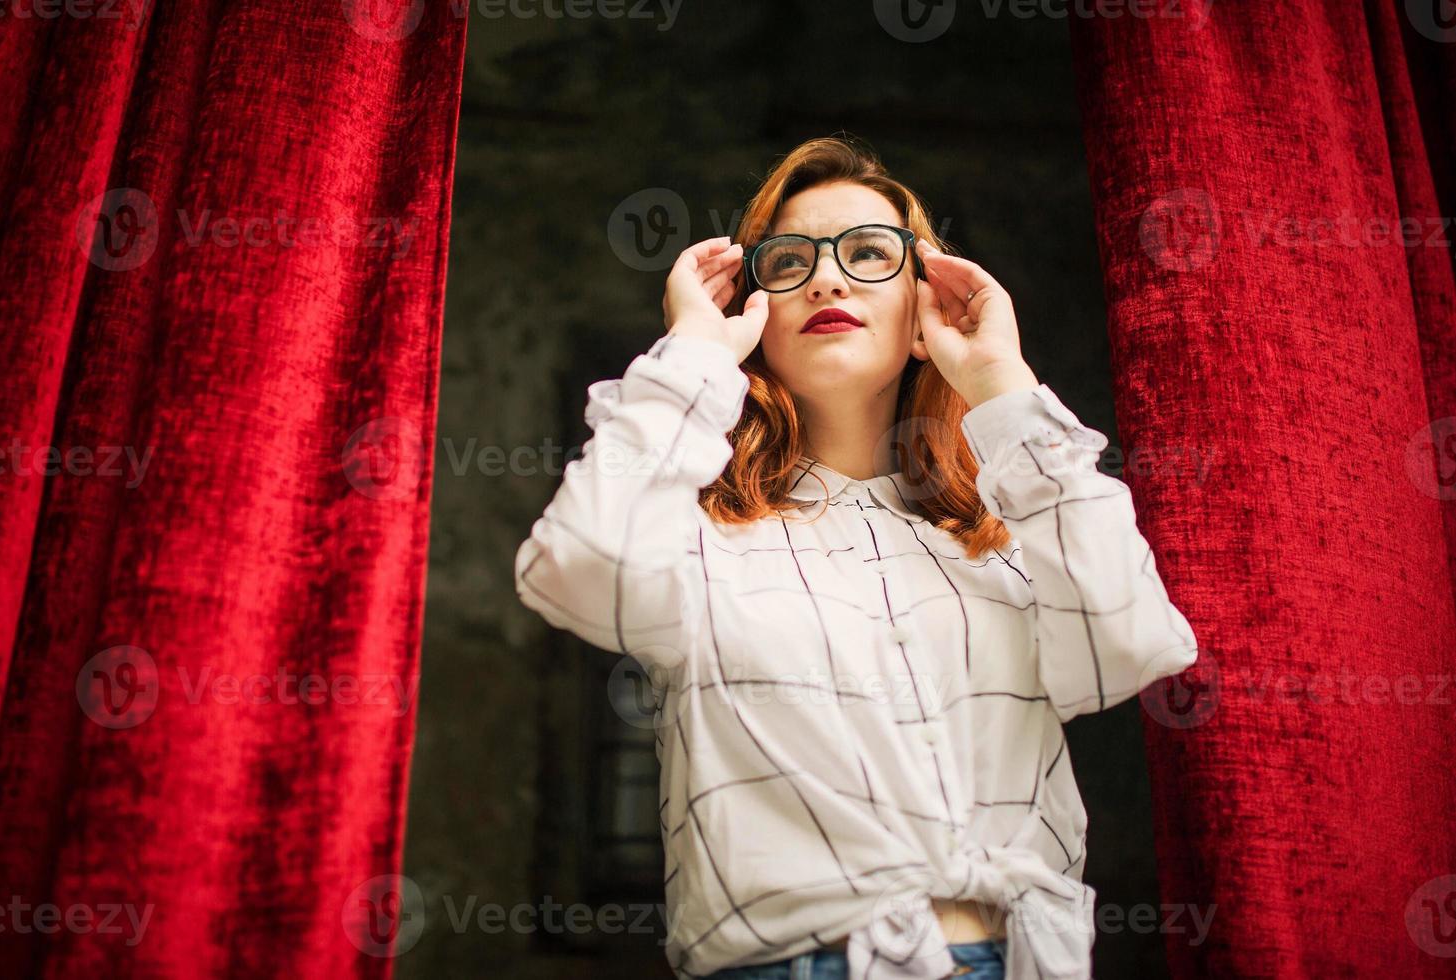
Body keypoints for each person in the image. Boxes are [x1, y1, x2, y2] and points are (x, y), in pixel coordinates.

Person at [513, 136, 1199, 980]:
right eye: (790, 260)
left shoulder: (1010, 541)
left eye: (868, 253)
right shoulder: (694, 538)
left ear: (923, 316)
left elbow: (1127, 648)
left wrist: (1002, 383)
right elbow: (576, 568)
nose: (828, 279)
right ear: (753, 319)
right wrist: (692, 353)